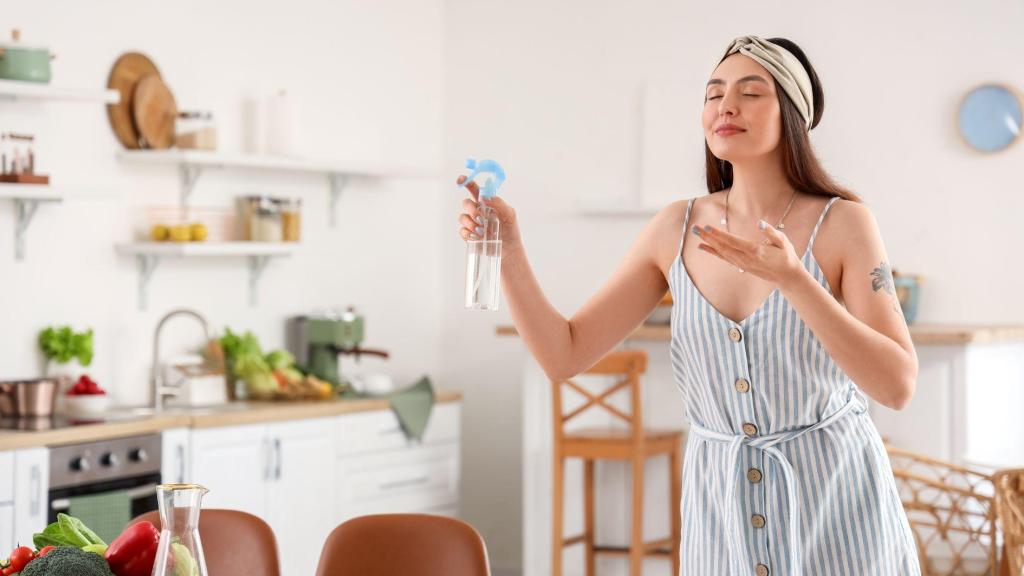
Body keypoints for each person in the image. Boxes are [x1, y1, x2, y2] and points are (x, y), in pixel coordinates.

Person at [457, 35, 920, 575]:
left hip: (837, 515)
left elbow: (897, 385)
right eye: (714, 94)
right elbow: (564, 355)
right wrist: (510, 250)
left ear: (792, 115)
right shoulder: (673, 228)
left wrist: (795, 281)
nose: (727, 106)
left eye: (751, 93)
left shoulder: (843, 223)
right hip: (720, 520)